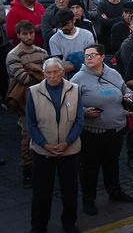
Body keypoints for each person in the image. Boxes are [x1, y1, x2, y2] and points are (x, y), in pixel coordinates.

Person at [71, 44, 133, 216]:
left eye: (93, 55)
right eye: (86, 56)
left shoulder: (113, 73)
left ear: (102, 57)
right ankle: (88, 200)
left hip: (116, 129)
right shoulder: (78, 79)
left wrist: (129, 96)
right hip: (92, 133)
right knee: (90, 168)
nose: (89, 58)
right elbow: (69, 104)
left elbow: (126, 89)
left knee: (112, 163)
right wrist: (84, 112)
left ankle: (114, 191)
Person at [27, 57, 84, 233]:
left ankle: (69, 222)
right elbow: (31, 124)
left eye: (56, 72)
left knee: (70, 190)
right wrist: (45, 144)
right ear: (43, 73)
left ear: (62, 72)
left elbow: (79, 120)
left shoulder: (75, 89)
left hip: (70, 150)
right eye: (48, 72)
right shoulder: (33, 91)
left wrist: (67, 142)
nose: (52, 76)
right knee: (41, 192)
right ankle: (38, 226)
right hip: (43, 151)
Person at [6, 20, 47, 188]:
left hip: (43, 98)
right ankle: (27, 172)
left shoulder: (42, 52)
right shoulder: (13, 55)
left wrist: (35, 69)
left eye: (31, 33)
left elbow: (50, 76)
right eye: (25, 34)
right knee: (27, 135)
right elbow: (24, 78)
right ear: (18, 35)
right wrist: (42, 73)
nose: (29, 36)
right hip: (25, 101)